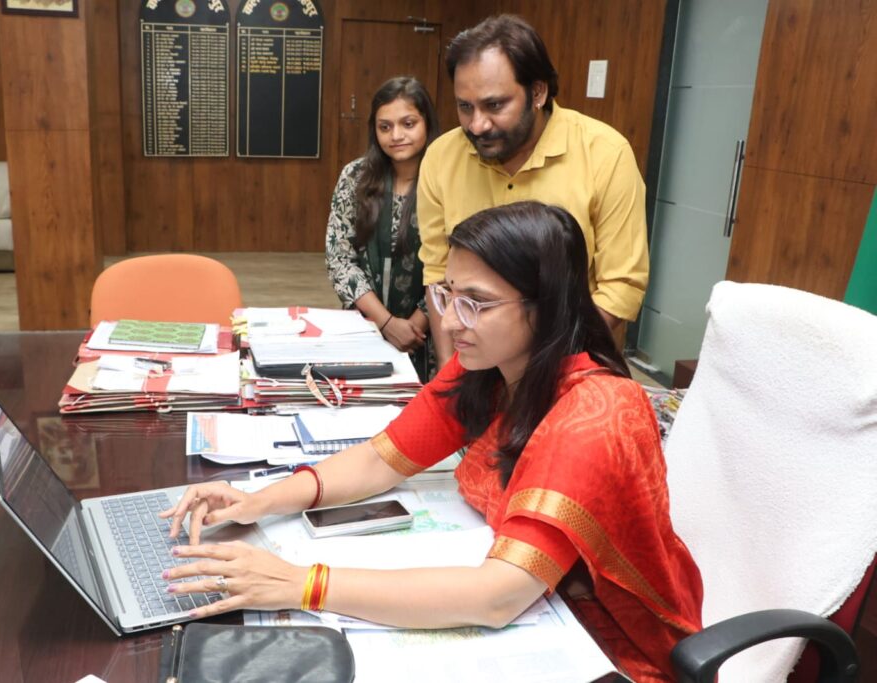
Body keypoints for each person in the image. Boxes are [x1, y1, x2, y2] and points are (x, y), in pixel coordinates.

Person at [160, 201, 702, 682]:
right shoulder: (491, 365)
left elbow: (497, 596)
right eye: (448, 295)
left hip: (605, 649)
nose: (451, 323)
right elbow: (380, 460)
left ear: (546, 306)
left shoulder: (594, 411)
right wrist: (259, 500)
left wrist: (303, 584)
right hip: (541, 610)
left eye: (477, 303)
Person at [418, 15, 650, 368]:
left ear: (538, 93)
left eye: (495, 105)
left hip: (571, 363)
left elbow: (621, 285)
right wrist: (451, 374)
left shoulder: (605, 153)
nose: (477, 125)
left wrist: (542, 372)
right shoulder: (441, 157)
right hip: (473, 367)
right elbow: (437, 274)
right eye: (465, 107)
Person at [325, 76, 439, 377]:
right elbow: (340, 259)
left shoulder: (446, 179)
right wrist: (386, 323)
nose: (396, 135)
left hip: (429, 334)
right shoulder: (355, 176)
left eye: (408, 124)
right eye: (385, 127)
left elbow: (452, 265)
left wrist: (415, 324)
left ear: (427, 122)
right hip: (364, 326)